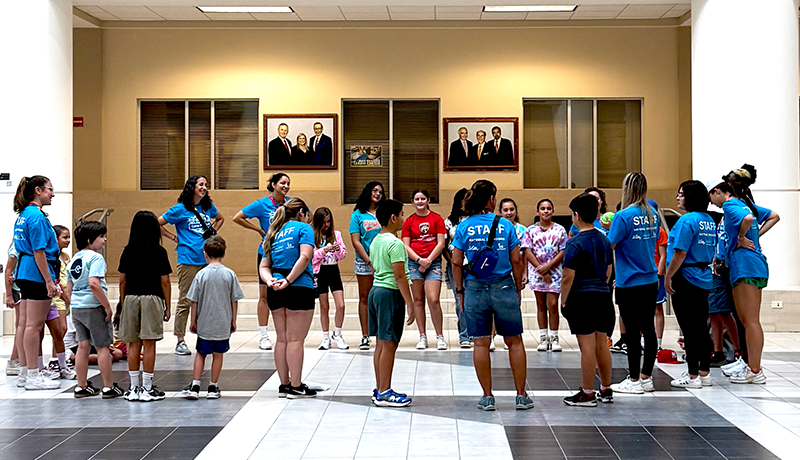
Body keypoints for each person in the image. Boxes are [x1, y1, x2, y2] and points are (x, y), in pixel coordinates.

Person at [451, 180, 534, 411]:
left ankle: (487, 396)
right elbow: (516, 259)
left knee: (480, 343)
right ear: (491, 199)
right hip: (503, 286)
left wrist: (460, 292)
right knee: (514, 341)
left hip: (474, 287)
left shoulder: (464, 226)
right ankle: (521, 395)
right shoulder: (505, 225)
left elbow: (456, 262)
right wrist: (517, 288)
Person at [720, 166, 777, 384]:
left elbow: (747, 219)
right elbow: (774, 216)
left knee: (750, 321)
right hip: (752, 265)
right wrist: (755, 236)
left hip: (746, 267)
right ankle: (751, 366)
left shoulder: (732, 204)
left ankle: (755, 370)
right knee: (747, 320)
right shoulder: (747, 202)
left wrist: (742, 237)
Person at [259, 198, 317, 398]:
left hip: (275, 288)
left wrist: (270, 281)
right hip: (298, 286)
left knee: (282, 339)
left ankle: (284, 384)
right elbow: (305, 256)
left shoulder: (273, 232)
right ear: (301, 212)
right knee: (295, 340)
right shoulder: (304, 228)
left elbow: (264, 266)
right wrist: (289, 280)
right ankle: (296, 385)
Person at [159, 176, 224, 356]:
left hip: (206, 258)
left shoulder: (207, 207)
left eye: (205, 185)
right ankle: (180, 340)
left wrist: (212, 232)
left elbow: (220, 218)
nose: (204, 188)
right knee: (186, 299)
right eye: (200, 184)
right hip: (188, 258)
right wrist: (174, 237)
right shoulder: (179, 209)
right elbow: (158, 222)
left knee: (206, 299)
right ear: (192, 187)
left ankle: (205, 336)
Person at [607, 172, 660, 394]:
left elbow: (610, 244)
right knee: (649, 329)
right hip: (650, 278)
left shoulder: (622, 216)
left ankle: (634, 379)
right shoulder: (653, 214)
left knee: (631, 332)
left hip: (629, 281)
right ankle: (647, 376)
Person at [561, 194, 615, 406]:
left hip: (582, 297)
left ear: (576, 215)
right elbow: (608, 270)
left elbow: (568, 276)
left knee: (587, 347)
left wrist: (564, 301)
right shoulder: (604, 240)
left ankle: (587, 392)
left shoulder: (574, 243)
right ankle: (606, 388)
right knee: (602, 343)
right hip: (603, 296)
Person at [664, 181, 716, 389]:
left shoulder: (687, 220)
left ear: (691, 197)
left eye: (681, 194)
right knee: (701, 326)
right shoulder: (708, 220)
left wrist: (668, 276)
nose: (678, 198)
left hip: (685, 275)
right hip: (703, 275)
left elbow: (680, 252)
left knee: (689, 328)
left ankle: (692, 375)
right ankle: (704, 372)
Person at [12, 176, 62, 391]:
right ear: (38, 190)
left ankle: (25, 372)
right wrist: (49, 281)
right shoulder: (37, 217)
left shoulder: (23, 215)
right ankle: (33, 375)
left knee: (25, 324)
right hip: (35, 273)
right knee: (34, 325)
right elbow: (39, 251)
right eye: (50, 189)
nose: (53, 193)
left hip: (24, 270)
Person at [233, 172, 292, 351]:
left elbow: (308, 217)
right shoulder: (262, 204)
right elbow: (238, 217)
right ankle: (264, 335)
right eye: (282, 183)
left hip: (287, 254)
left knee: (287, 294)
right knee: (265, 295)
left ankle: (287, 333)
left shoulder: (291, 203)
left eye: (288, 183)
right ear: (273, 184)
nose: (286, 186)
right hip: (267, 253)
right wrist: (258, 230)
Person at [118, 211, 172, 402]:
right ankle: (147, 388)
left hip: (131, 298)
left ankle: (133, 388)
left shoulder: (127, 251)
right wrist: (167, 305)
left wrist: (124, 302)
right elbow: (165, 281)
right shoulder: (159, 251)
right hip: (152, 298)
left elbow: (122, 280)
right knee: (149, 343)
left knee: (133, 343)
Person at [181, 236, 244, 400]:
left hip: (205, 323)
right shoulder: (230, 274)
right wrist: (233, 320)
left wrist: (193, 321)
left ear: (205, 254)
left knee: (200, 353)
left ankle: (195, 385)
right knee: (218, 354)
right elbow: (234, 300)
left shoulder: (201, 275)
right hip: (223, 323)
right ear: (224, 253)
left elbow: (194, 300)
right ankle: (213, 387)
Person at [67, 221, 124, 398]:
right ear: (89, 239)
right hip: (93, 306)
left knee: (82, 346)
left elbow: (69, 288)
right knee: (102, 347)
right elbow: (93, 283)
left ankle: (81, 386)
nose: (104, 240)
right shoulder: (96, 258)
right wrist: (106, 305)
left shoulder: (74, 259)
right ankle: (108, 386)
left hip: (77, 307)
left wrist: (73, 303)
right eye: (101, 236)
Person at [369, 199, 415, 407]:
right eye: (402, 214)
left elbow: (374, 268)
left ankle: (380, 388)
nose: (404, 219)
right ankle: (385, 392)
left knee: (381, 343)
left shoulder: (375, 241)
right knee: (389, 344)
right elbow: (400, 276)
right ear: (393, 218)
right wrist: (410, 303)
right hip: (390, 293)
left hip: (376, 291)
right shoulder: (395, 244)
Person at [402, 190, 447, 350]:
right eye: (417, 199)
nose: (420, 201)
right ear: (412, 201)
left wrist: (428, 261)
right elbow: (406, 245)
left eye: (423, 199)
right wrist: (419, 260)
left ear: (428, 200)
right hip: (414, 263)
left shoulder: (437, 219)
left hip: (433, 263)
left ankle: (440, 336)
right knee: (418, 300)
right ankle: (422, 336)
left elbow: (441, 243)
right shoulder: (409, 221)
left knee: (433, 299)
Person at [521, 198, 568, 353]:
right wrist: (540, 268)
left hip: (555, 273)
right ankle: (543, 337)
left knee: (552, 304)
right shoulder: (530, 230)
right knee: (540, 305)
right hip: (537, 273)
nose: (546, 211)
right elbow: (527, 250)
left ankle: (554, 337)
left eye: (548, 208)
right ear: (538, 211)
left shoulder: (560, 230)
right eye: (543, 208)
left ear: (553, 210)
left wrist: (548, 267)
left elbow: (563, 250)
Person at [349, 181, 385, 350]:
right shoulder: (358, 214)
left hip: (384, 261)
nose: (377, 194)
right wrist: (369, 261)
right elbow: (356, 241)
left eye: (380, 192)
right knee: (365, 298)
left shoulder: (384, 212)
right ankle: (365, 335)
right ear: (368, 192)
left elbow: (392, 234)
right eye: (374, 190)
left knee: (381, 297)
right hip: (364, 261)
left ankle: (381, 334)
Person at [311, 207, 348, 350]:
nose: (326, 225)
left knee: (340, 305)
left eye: (328, 222)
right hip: (320, 272)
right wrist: (323, 250)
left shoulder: (336, 235)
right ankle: (325, 337)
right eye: (324, 222)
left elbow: (343, 255)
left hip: (333, 270)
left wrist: (338, 249)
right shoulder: (313, 236)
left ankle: (337, 334)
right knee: (324, 306)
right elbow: (311, 257)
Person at [443, 188, 471, 348]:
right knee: (460, 300)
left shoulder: (477, 218)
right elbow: (444, 246)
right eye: (463, 198)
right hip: (455, 266)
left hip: (474, 266)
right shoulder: (449, 221)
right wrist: (454, 263)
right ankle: (464, 336)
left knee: (475, 301)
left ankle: (476, 334)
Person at [46, 225, 73, 379]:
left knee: (62, 329)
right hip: (58, 297)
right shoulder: (52, 256)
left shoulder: (65, 256)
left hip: (66, 295)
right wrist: (65, 297)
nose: (68, 240)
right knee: (60, 329)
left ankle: (59, 359)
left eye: (69, 237)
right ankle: (55, 360)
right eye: (64, 237)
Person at [647, 201, 669, 351]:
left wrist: (659, 274)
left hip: (655, 273)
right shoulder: (639, 230)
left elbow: (663, 256)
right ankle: (645, 339)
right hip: (642, 272)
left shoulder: (660, 232)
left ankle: (658, 342)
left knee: (657, 307)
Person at [5, 242, 22, 376]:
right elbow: (8, 271)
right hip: (19, 290)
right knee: (21, 325)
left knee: (22, 325)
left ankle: (19, 358)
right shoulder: (16, 249)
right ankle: (14, 359)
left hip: (23, 288)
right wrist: (9, 295)